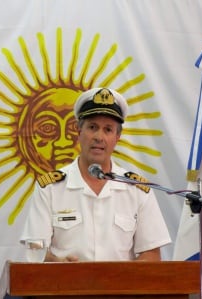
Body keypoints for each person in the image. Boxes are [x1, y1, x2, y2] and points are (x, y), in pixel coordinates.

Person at [20, 87, 171, 262]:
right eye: (92, 127)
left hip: (121, 289)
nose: (99, 137)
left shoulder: (137, 189)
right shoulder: (50, 187)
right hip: (66, 286)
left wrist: (122, 282)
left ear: (117, 137)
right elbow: (35, 248)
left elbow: (151, 253)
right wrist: (58, 265)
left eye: (108, 130)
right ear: (79, 131)